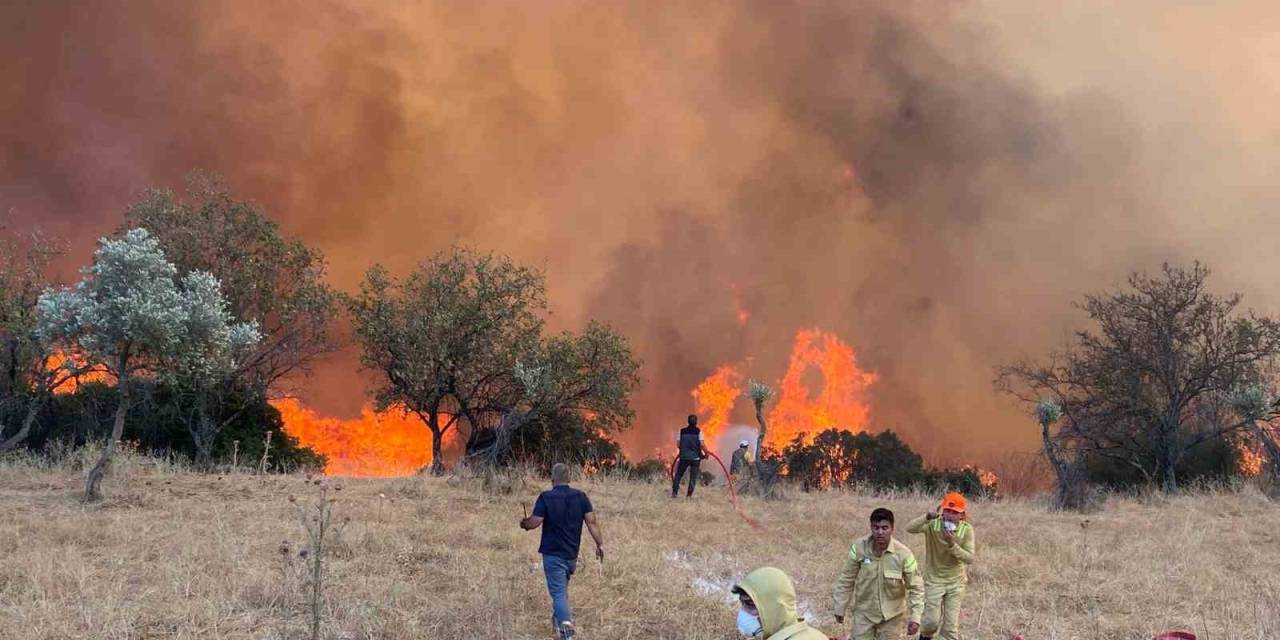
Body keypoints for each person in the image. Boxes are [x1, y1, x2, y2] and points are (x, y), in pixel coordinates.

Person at [520, 463, 604, 639]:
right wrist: (599, 544)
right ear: (568, 479)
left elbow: (535, 522)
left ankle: (566, 631)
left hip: (553, 554)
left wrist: (524, 523)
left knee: (558, 593)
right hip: (571, 555)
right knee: (561, 592)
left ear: (552, 480)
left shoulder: (546, 497)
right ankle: (557, 628)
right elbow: (592, 522)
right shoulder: (581, 497)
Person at [832, 507, 924, 640]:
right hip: (864, 614)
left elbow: (916, 587)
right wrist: (839, 606)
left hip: (892, 617)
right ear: (871, 527)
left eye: (884, 528)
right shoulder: (858, 548)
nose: (880, 532)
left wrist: (916, 617)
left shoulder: (904, 554)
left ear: (892, 529)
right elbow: (846, 579)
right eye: (876, 527)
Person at [905, 492, 975, 640]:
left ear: (962, 515)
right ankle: (925, 636)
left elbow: (969, 558)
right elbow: (909, 528)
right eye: (947, 511)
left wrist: (952, 544)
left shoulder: (966, 529)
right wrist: (927, 516)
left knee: (950, 629)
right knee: (930, 622)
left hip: (956, 582)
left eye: (954, 512)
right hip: (934, 580)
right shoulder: (933, 524)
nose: (949, 515)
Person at [731, 567, 828, 639]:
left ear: (775, 607)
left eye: (750, 604)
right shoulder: (812, 634)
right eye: (742, 604)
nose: (743, 612)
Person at [672, 414, 708, 498]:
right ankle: (689, 496)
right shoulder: (699, 431)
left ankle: (674, 493)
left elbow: (678, 445)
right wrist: (706, 454)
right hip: (695, 458)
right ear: (696, 422)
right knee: (693, 477)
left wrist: (684, 450)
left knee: (678, 475)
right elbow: (702, 445)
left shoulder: (681, 431)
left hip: (684, 457)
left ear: (688, 422)